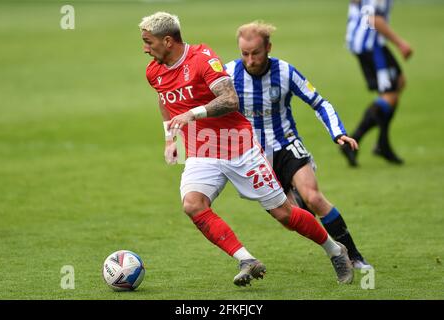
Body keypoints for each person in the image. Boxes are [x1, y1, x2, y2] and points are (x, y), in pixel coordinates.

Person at [140, 11, 354, 286]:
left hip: (237, 146)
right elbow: (165, 102)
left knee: (284, 214)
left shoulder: (202, 58)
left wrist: (193, 114)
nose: (145, 48)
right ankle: (247, 260)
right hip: (202, 150)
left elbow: (230, 99)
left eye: (148, 42)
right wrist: (171, 139)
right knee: (193, 205)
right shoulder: (153, 71)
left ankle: (336, 251)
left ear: (167, 41)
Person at [225, 21, 372, 269]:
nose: (250, 60)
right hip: (254, 156)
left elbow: (320, 103)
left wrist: (338, 133)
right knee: (289, 218)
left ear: (268, 47)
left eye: (256, 53)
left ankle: (356, 257)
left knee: (314, 197)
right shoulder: (228, 74)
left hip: (287, 144)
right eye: (245, 54)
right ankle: (335, 246)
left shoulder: (285, 72)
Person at [341, 0, 413, 166]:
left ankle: (382, 143)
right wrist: (401, 44)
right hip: (370, 45)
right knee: (389, 94)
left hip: (365, 42)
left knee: (398, 83)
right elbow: (374, 19)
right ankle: (355, 142)